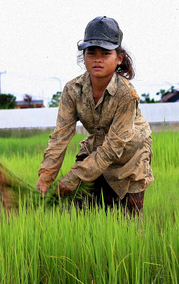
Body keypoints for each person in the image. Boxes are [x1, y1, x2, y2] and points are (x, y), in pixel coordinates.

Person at [35, 16, 154, 216]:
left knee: (128, 221)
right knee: (80, 213)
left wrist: (73, 177)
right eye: (91, 53)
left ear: (119, 58)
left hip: (130, 157)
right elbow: (59, 138)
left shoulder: (126, 94)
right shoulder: (72, 90)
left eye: (105, 53)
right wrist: (45, 178)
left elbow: (114, 146)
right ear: (84, 56)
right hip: (96, 149)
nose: (97, 59)